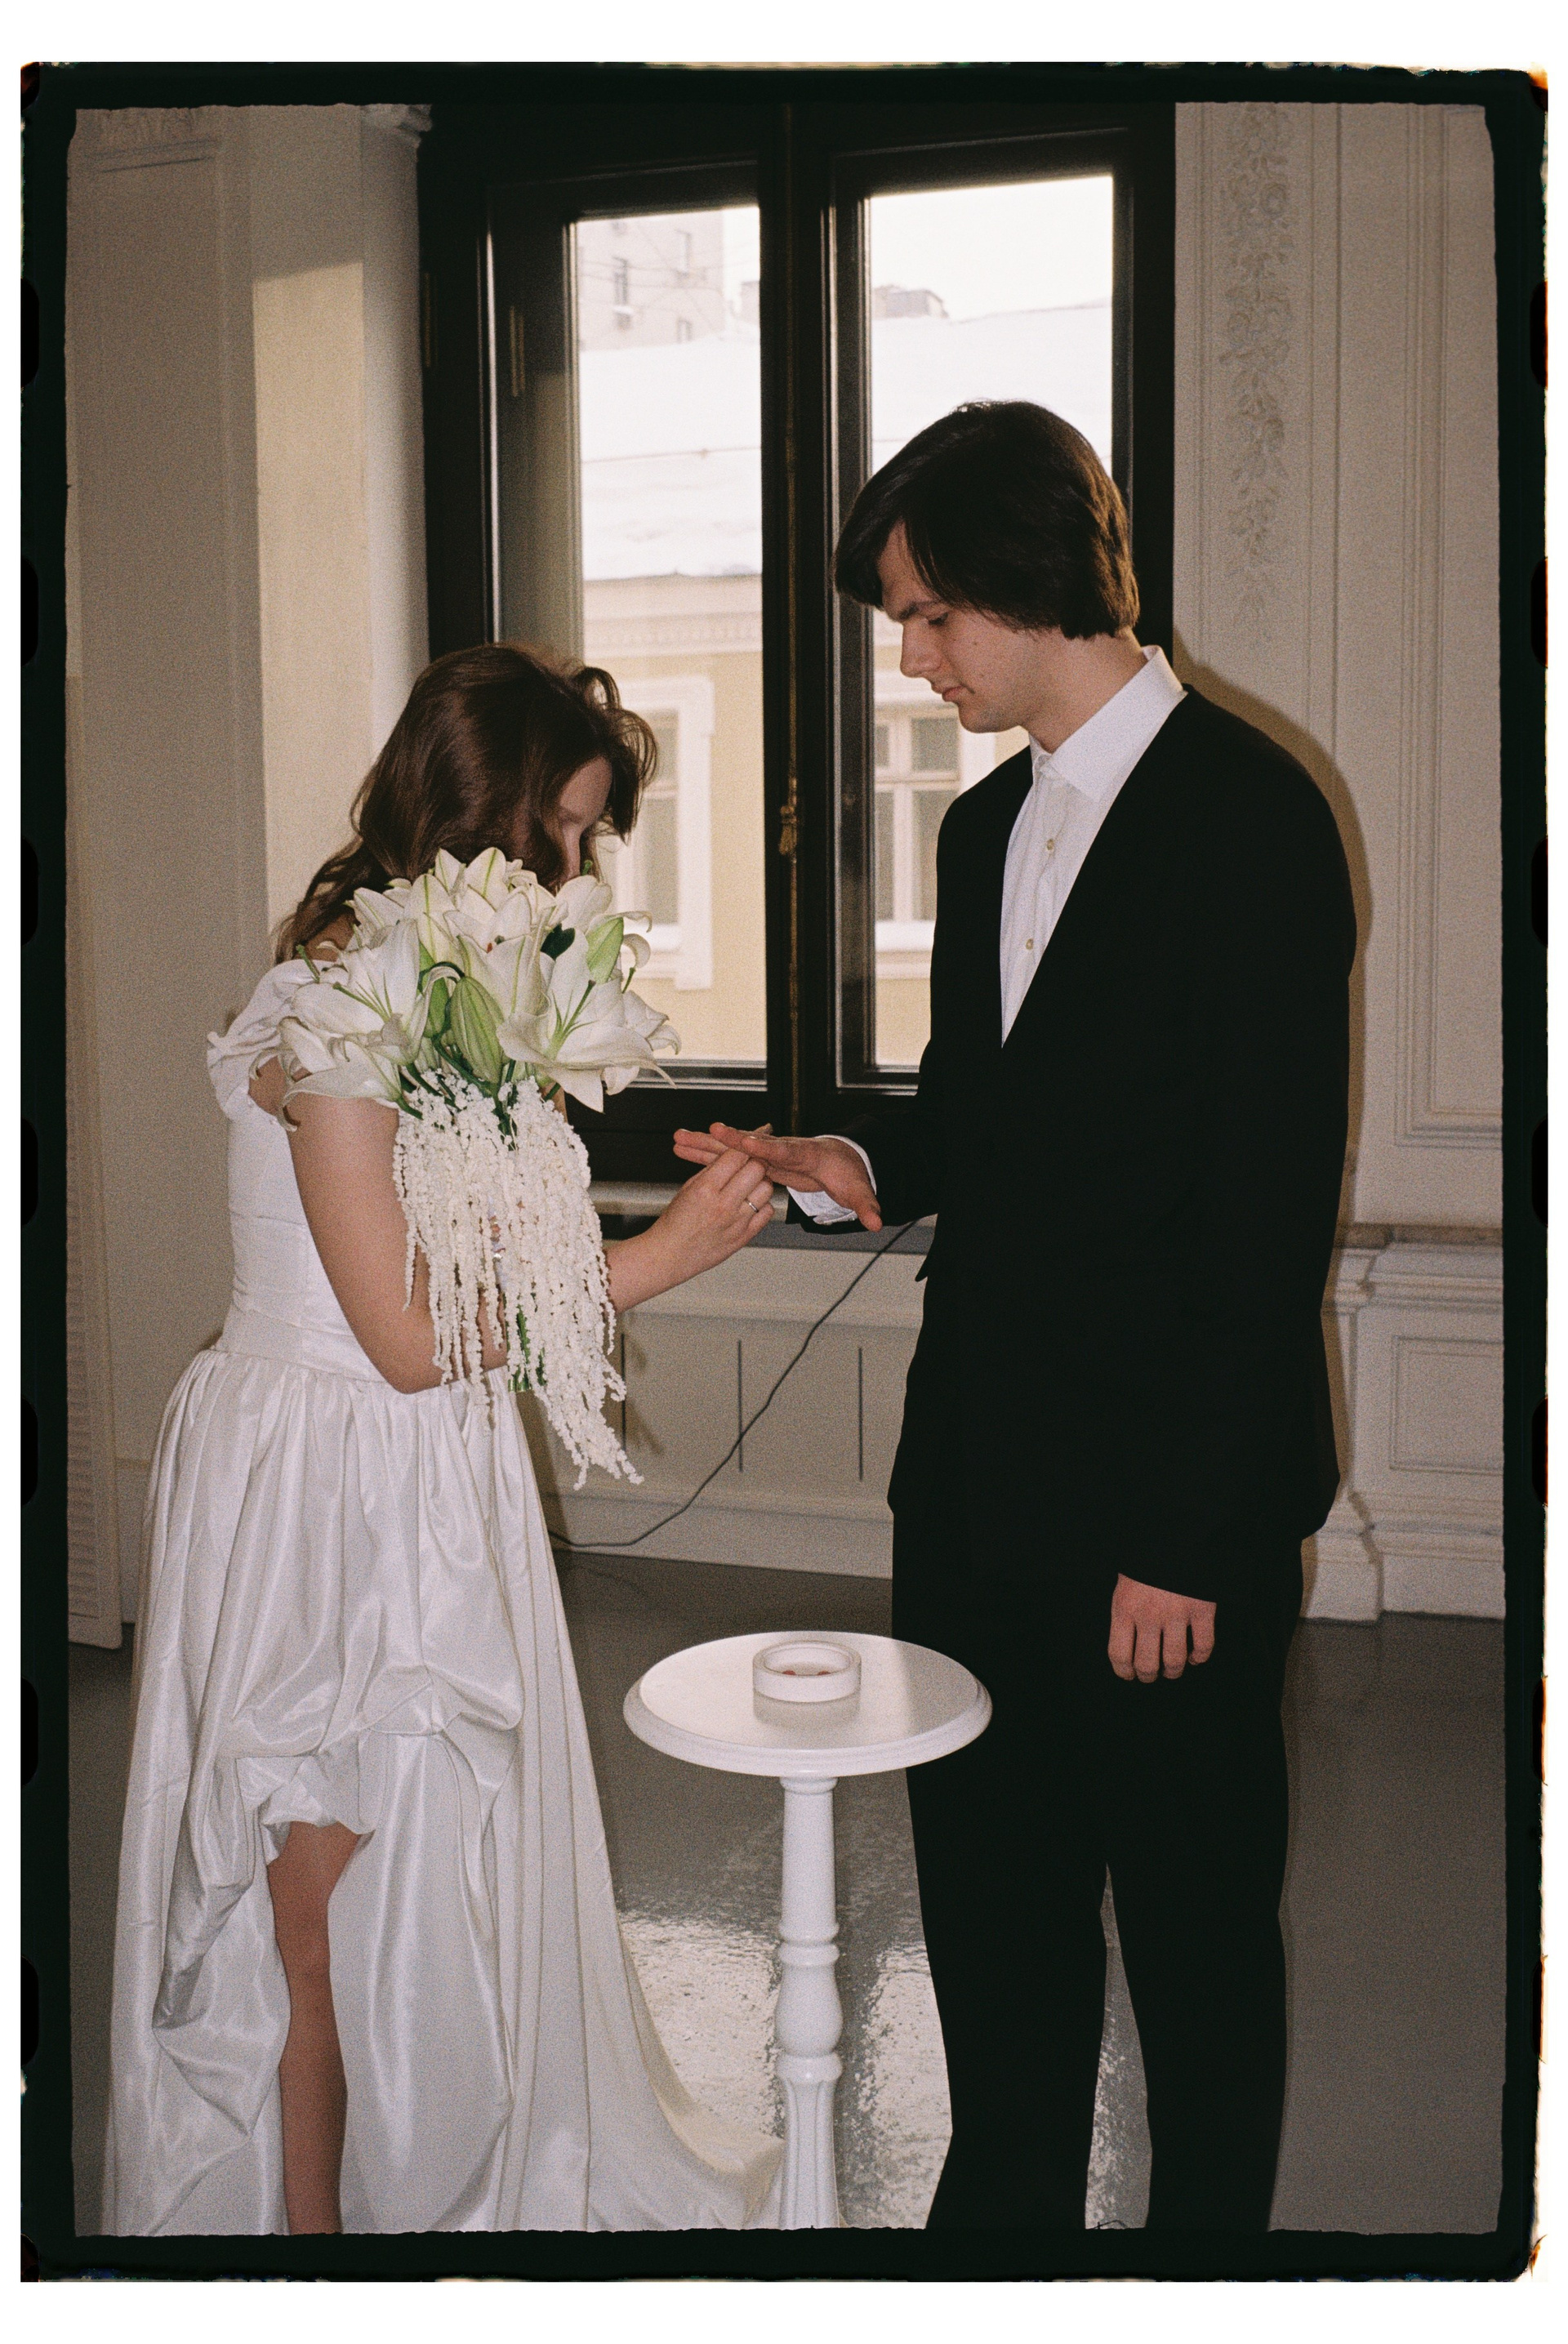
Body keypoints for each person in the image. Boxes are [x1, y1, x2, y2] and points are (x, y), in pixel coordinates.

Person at [676, 401, 1355, 2230]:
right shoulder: (983, 832)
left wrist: (1186, 1539)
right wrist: (843, 1159)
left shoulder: (1252, 816)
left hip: (1164, 1525)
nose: (911, 659)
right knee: (994, 1925)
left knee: (1198, 1948)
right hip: (974, 1492)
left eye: (926, 615)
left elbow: (1265, 1215)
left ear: (1028, 579)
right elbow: (978, 1113)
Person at [103, 644, 783, 2236]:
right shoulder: (340, 997)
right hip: (325, 1482)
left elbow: (471, 1254)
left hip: (417, 1466)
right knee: (312, 1921)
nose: (581, 863)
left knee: (418, 1886)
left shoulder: (446, 980)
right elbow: (404, 1337)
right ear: (483, 815)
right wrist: (660, 1257)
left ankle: (414, 2193)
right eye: (569, 825)